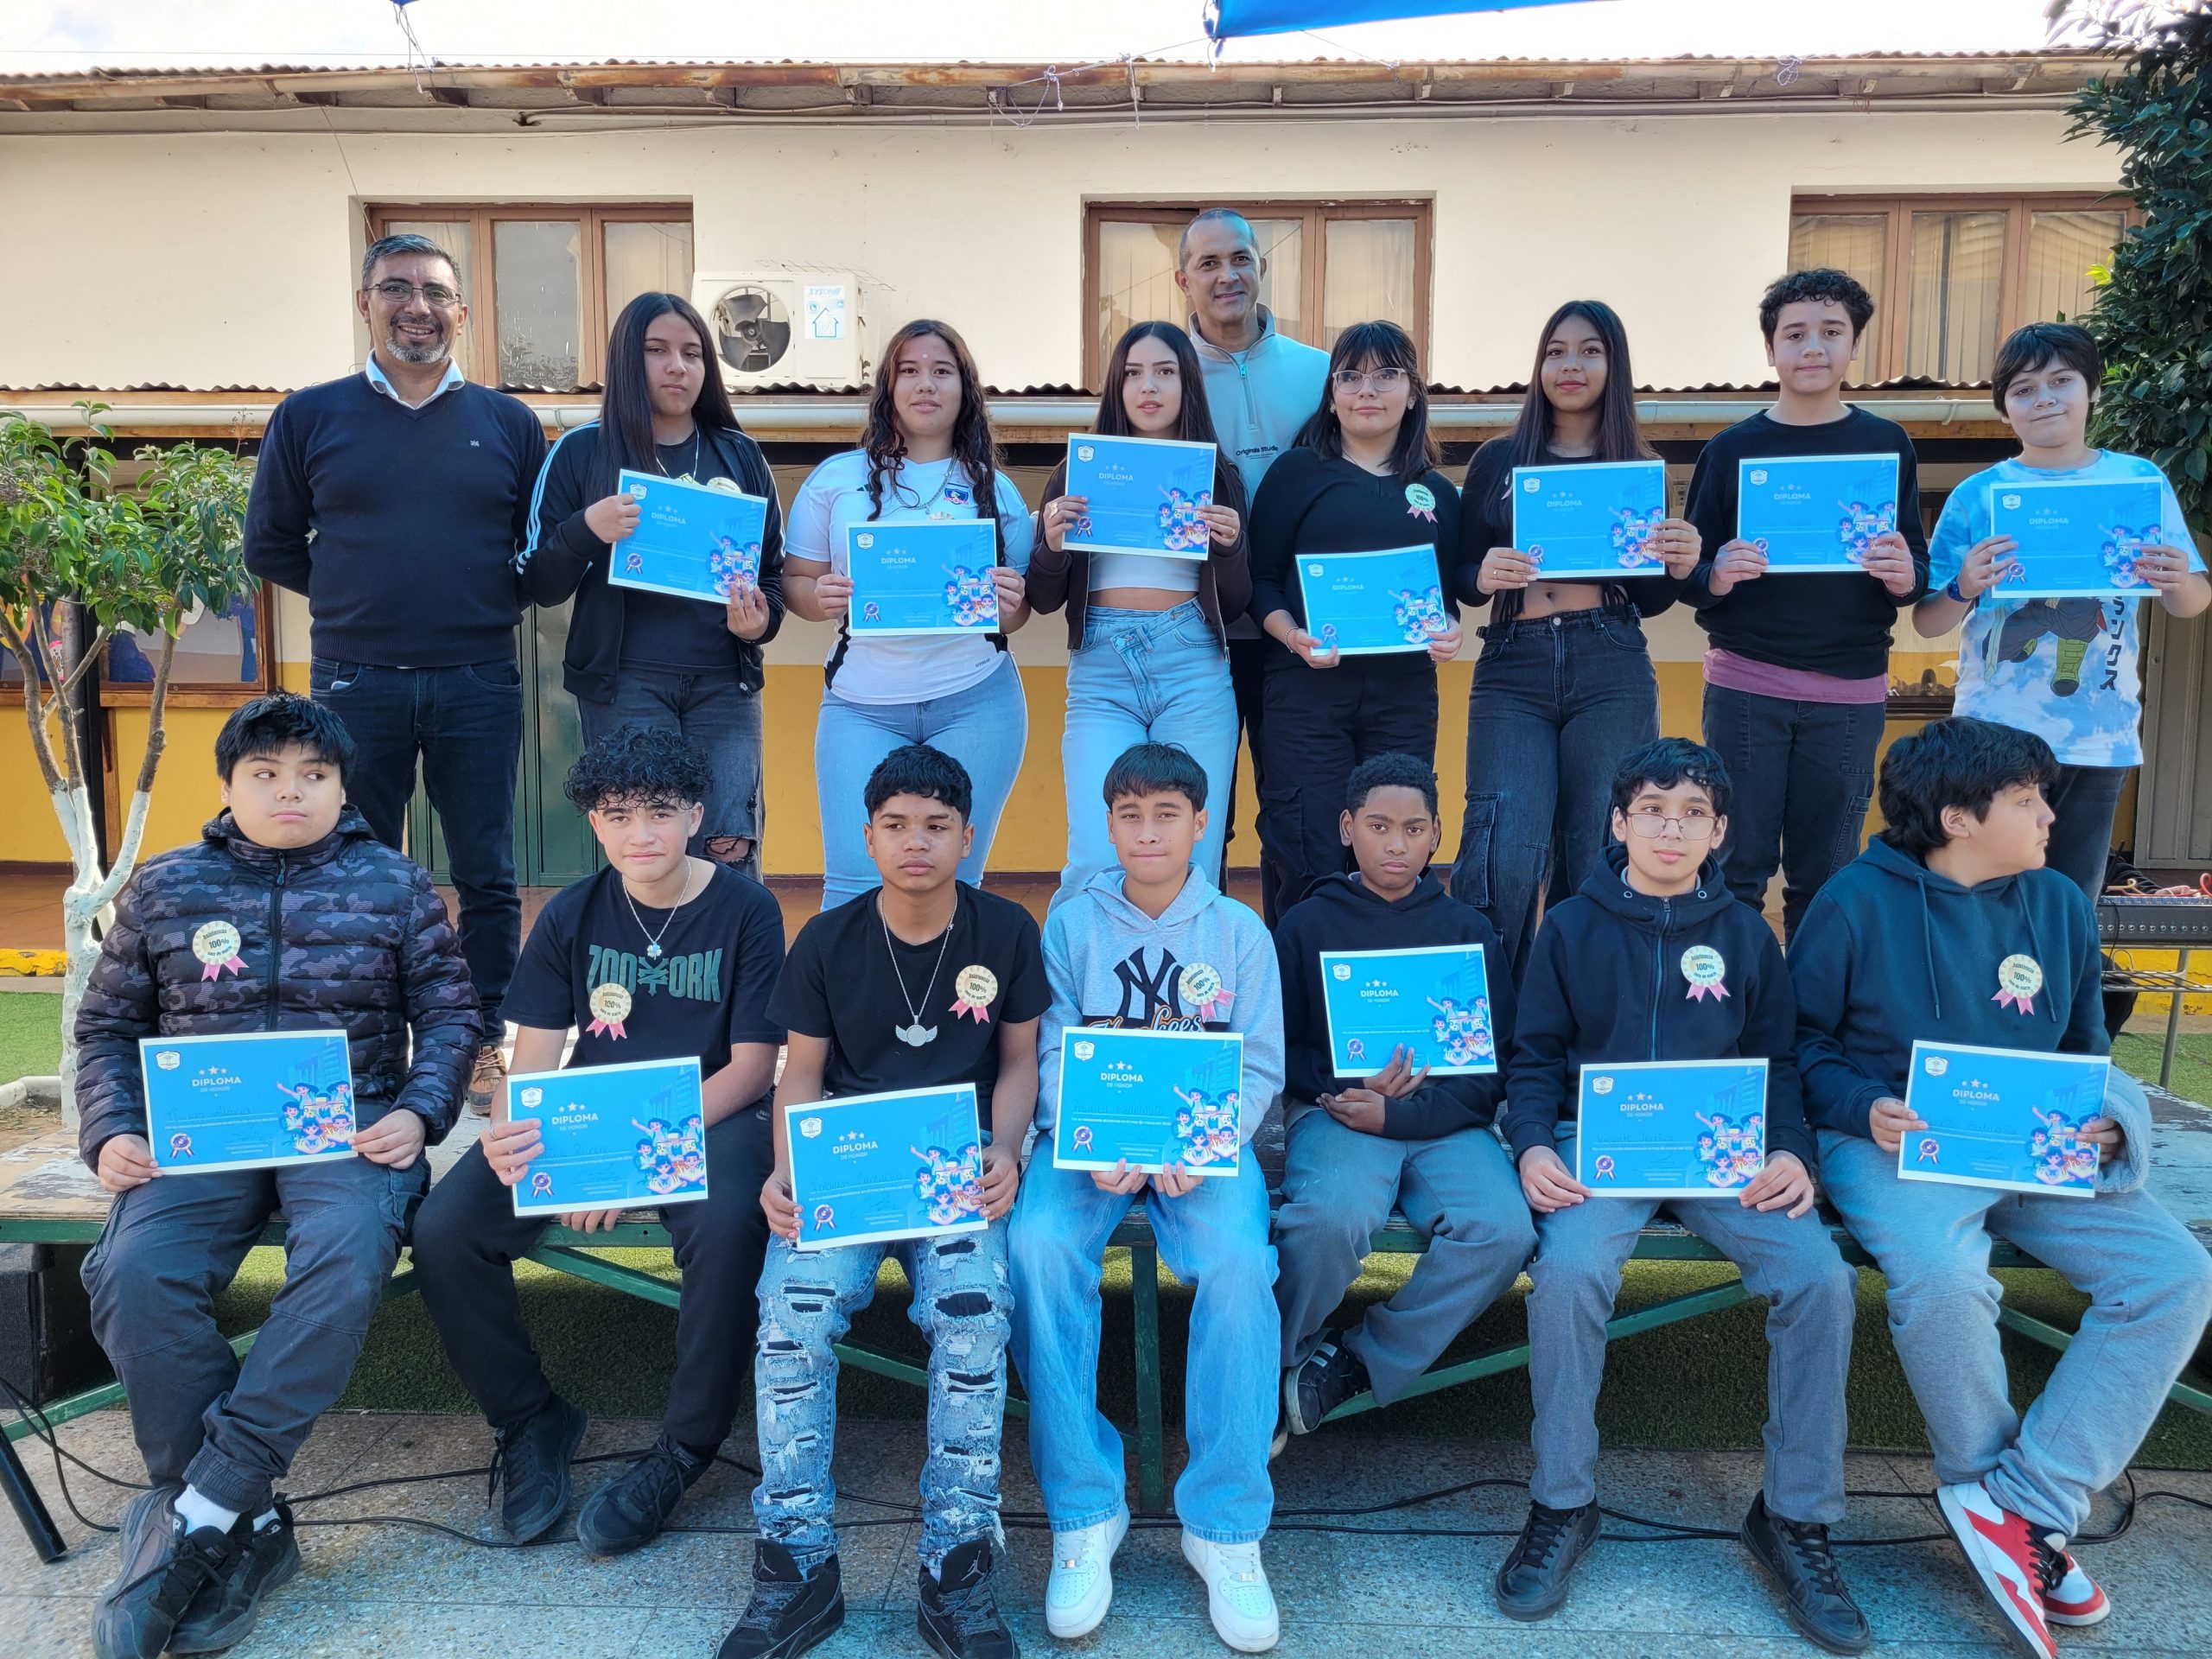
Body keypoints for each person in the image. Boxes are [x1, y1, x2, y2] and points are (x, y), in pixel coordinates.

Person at [1790, 717, 2212, 1659]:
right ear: (1957, 818)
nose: (2048, 815)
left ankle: (2024, 1507)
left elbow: (2085, 1049)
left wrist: (2111, 1122)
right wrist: (1862, 1106)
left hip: (2036, 1146)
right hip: (1897, 1142)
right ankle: (2006, 1519)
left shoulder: (2059, 902)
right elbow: (1799, 1043)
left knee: (2174, 1275)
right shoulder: (1853, 902)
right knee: (1943, 1282)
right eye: (2026, 800)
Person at [72, 693, 480, 1659]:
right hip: (198, 1133)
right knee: (133, 1273)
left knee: (343, 1257)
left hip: (346, 1128)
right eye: (266, 775)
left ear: (342, 788)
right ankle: (243, 1521)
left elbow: (452, 1015)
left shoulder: (394, 885)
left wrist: (417, 1112)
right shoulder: (167, 886)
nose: (289, 793)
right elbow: (107, 1028)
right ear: (229, 784)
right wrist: (112, 1130)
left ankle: (200, 1510)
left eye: (313, 775)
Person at [1500, 737, 1866, 1654]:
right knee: (1569, 1274)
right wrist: (1533, 1145)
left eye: (1692, 813)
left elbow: (1779, 1062)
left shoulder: (1745, 935)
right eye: (1653, 811)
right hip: (1600, 1150)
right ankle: (1562, 1502)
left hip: (1721, 1154)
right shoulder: (1569, 927)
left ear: (1720, 831)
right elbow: (1533, 1058)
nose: (1672, 829)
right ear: (1618, 822)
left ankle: (1794, 1519)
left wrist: (1791, 1153)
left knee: (1819, 1279)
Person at [410, 725, 786, 1553]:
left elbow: (755, 1067)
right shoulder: (573, 913)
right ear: (594, 823)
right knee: (444, 1230)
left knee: (726, 1225)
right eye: (617, 815)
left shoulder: (747, 909)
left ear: (695, 815)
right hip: (590, 1111)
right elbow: (532, 1061)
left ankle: (685, 1447)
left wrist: (632, 1163)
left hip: (712, 1112)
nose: (639, 834)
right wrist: (508, 1125)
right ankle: (530, 1418)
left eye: (658, 812)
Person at [725, 745, 1048, 1659]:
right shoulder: (827, 938)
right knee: (792, 1315)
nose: (916, 842)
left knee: (974, 1316)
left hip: (956, 1172)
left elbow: (1018, 1061)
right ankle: (796, 1564)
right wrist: (787, 1169)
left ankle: (957, 1563)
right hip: (851, 1172)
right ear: (867, 836)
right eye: (896, 825)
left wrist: (1005, 1148)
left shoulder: (1005, 930)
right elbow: (801, 1074)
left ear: (967, 836)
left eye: (937, 826)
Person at [244, 231, 544, 1112]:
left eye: (435, 292)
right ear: (365, 303)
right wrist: (358, 596)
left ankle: (481, 1044)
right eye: (397, 288)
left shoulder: (509, 424)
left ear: (462, 312)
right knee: (351, 871)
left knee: (486, 873)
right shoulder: (310, 416)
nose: (418, 307)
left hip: (478, 680)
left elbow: (532, 553)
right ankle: (367, 1048)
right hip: (354, 681)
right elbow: (270, 545)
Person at [1009, 742, 1287, 1653]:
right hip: (1088, 1147)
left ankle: (1225, 1524)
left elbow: (1258, 1064)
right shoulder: (1070, 926)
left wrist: (1207, 1144)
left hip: (1202, 1151)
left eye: (1166, 814)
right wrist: (1086, 1136)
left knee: (1241, 1264)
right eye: (1129, 815)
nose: (1147, 832)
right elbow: (1051, 1049)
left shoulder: (1238, 932)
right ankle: (1086, 1509)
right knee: (1036, 1250)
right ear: (1108, 824)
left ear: (1201, 823)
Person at [1270, 753, 1534, 1447]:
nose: (1396, 844)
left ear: (1436, 834)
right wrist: (1342, 1089)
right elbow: (1279, 1047)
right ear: (1347, 827)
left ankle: (1355, 1361)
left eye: (1414, 829)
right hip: (1341, 1115)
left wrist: (1407, 1114)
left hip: (1448, 1123)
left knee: (1503, 1231)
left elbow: (1494, 1068)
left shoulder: (1467, 932)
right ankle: (1270, 1363)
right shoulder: (1306, 924)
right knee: (1327, 1222)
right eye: (1379, 826)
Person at [1910, 322, 2209, 902]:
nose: (2044, 399)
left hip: (2100, 733)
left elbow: (2192, 601)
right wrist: (1965, 585)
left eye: (2061, 381)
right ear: (2004, 409)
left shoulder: (2137, 482)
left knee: (2071, 903)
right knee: (1984, 899)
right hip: (1993, 734)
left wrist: (2177, 579)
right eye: (2023, 389)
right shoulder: (1977, 495)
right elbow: (1927, 621)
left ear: (2093, 390)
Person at [1450, 300, 1703, 976]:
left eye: (1590, 351)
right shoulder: (1498, 459)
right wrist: (1481, 572)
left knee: (1600, 844)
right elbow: (1462, 577)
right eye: (1556, 351)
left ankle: (1580, 1010)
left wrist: (1679, 563)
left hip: (1609, 661)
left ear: (1614, 366)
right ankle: (1491, 1022)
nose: (1571, 365)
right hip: (1513, 663)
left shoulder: (1639, 468)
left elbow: (1651, 599)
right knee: (1503, 847)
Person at [1679, 268, 1929, 940]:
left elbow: (1916, 569)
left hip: (1850, 691)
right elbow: (1689, 574)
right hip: (1746, 686)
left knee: (1827, 873)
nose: (1812, 347)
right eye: (1794, 334)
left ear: (1855, 346)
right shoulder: (1731, 450)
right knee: (1734, 865)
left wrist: (1904, 573)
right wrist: (1717, 573)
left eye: (1831, 332)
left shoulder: (1886, 445)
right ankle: (1734, 996)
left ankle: (1813, 1003)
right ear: (1770, 349)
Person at [517, 290, 786, 878]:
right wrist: (585, 530)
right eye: (657, 350)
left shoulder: (739, 455)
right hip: (624, 686)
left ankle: (732, 945)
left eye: (692, 353)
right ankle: (645, 946)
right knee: (647, 849)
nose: (677, 366)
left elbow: (772, 573)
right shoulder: (581, 452)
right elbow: (537, 581)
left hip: (725, 685)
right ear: (625, 359)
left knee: (729, 846)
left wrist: (761, 621)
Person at [780, 320, 1036, 906]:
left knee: (955, 883)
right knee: (853, 885)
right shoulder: (836, 480)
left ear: (964, 389)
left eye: (942, 371)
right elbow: (795, 583)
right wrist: (818, 598)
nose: (926, 384)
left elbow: (1016, 615)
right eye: (910, 371)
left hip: (978, 701)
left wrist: (1010, 604)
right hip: (860, 706)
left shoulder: (995, 489)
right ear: (888, 387)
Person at [1246, 320, 1465, 923]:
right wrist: (1292, 636)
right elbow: (1260, 581)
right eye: (1350, 376)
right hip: (1306, 693)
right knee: (1307, 847)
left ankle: (1384, 972)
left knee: (1395, 850)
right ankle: (1299, 979)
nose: (1367, 390)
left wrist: (1451, 628)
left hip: (1404, 695)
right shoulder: (1295, 474)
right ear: (1332, 394)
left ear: (1413, 392)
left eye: (1385, 375)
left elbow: (1447, 596)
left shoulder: (1438, 494)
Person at [1031, 320, 1251, 899]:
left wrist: (1230, 549)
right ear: (1117, 386)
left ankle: (1190, 966)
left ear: (1187, 383)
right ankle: (1083, 965)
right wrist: (1051, 546)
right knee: (1096, 855)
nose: (1147, 386)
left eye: (1164, 371)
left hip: (1193, 665)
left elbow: (1235, 603)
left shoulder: (1217, 475)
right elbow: (1044, 598)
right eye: (1132, 373)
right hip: (1100, 671)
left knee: (1192, 855)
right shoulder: (1077, 471)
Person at [1178, 208, 1332, 915]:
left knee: (1295, 820)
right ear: (1182, 280)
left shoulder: (1320, 374)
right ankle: (1196, 972)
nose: (1227, 275)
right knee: (1199, 820)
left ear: (1262, 266)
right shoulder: (1162, 376)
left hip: (1297, 631)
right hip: (1197, 632)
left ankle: (1290, 976)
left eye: (1240, 258)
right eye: (1208, 263)